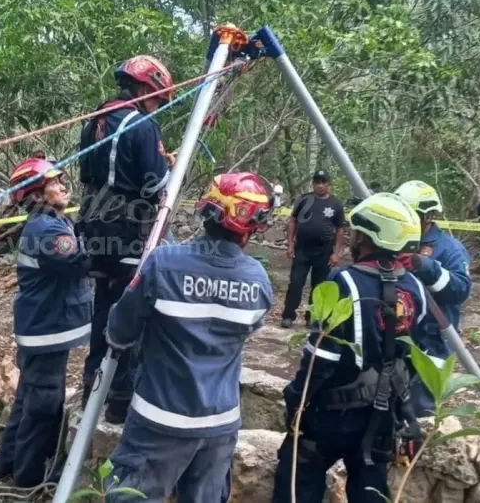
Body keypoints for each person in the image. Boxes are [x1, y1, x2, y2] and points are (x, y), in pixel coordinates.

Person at [103, 173, 274, 503]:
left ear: (206, 212)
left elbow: (120, 329)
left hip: (159, 420)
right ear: (252, 227)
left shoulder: (164, 262)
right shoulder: (258, 280)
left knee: (130, 495)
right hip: (220, 425)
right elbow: (249, 328)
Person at [272, 193, 426, 503]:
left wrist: (295, 402)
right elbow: (411, 359)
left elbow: (320, 361)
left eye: (356, 233)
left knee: (296, 480)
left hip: (331, 415)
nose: (352, 239)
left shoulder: (343, 282)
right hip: (382, 417)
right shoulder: (415, 288)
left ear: (366, 237)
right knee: (370, 490)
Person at [78, 54, 176, 423]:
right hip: (127, 232)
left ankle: (92, 384)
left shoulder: (95, 121)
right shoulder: (143, 125)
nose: (157, 108)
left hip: (94, 227)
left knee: (103, 304)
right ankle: (119, 399)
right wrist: (166, 164)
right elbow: (155, 185)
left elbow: (97, 173)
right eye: (156, 100)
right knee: (129, 311)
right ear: (145, 90)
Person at [0, 157, 92, 487]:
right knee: (43, 407)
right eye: (54, 183)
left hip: (41, 328)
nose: (63, 186)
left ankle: (7, 465)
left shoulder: (51, 222)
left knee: (27, 400)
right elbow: (81, 261)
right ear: (35, 194)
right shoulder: (47, 230)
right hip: (46, 331)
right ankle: (29, 480)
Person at [394, 180, 472, 416]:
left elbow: (460, 289)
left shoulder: (450, 249)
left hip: (433, 345)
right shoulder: (394, 240)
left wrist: (424, 266)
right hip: (398, 340)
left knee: (420, 413)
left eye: (410, 213)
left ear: (427, 216)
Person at [281, 169, 345, 328]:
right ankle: (288, 315)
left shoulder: (335, 204)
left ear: (329, 184)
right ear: (313, 184)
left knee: (319, 286)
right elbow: (293, 221)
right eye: (317, 182)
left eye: (324, 182)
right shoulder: (303, 200)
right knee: (295, 283)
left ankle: (313, 318)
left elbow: (339, 230)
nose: (320, 185)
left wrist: (336, 253)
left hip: (324, 251)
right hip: (301, 249)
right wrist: (289, 244)